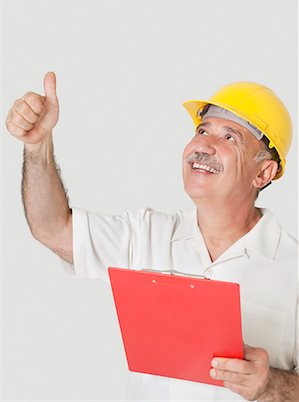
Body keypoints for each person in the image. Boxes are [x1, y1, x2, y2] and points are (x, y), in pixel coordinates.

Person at [6, 72, 298, 402]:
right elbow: (53, 228)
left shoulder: (294, 269)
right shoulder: (146, 234)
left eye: (230, 138)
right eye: (202, 130)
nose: (203, 144)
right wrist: (38, 146)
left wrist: (273, 386)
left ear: (264, 172)